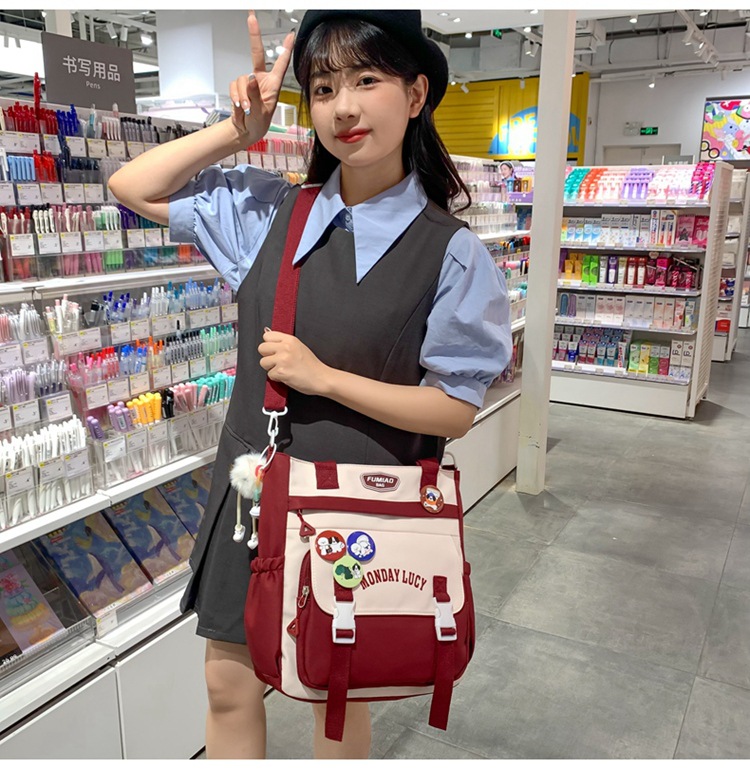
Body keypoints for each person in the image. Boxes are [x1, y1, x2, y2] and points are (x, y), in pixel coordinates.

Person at [108, 9, 511, 760]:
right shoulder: (271, 212)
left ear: (416, 94)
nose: (344, 107)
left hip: (358, 502)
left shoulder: (451, 253)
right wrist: (238, 133)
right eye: (324, 88)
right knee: (228, 681)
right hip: (256, 494)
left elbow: (454, 409)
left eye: (367, 80)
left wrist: (325, 378)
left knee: (336, 694)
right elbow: (130, 185)